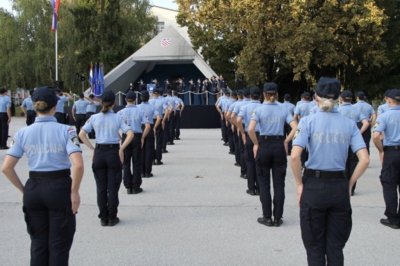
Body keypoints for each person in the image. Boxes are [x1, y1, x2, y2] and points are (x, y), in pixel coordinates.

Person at [290, 77, 369, 265]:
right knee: (335, 247)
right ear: (338, 98)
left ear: (316, 97)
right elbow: (365, 159)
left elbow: (294, 156)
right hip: (338, 187)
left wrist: (299, 184)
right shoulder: (350, 124)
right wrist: (349, 183)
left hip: (314, 186)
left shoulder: (307, 122)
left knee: (314, 246)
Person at [2, 86, 84, 266]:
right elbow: (77, 164)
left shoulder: (22, 133)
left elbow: (6, 167)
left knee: (38, 244)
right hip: (59, 187)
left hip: (34, 188)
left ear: (34, 107)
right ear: (55, 106)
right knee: (59, 245)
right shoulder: (67, 131)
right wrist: (75, 191)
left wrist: (24, 190)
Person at [79, 90, 133, 226]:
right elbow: (130, 134)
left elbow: (81, 134)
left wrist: (93, 149)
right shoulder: (117, 117)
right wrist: (121, 148)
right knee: (113, 188)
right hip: (113, 152)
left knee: (101, 188)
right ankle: (112, 216)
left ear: (101, 102)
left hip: (99, 152)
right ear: (114, 103)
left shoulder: (94, 117)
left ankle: (103, 217)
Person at [248, 82, 297, 227]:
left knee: (263, 183)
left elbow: (250, 129)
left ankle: (267, 216)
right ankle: (278, 217)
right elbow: (295, 127)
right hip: (279, 145)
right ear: (276, 94)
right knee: (279, 184)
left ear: (264, 94)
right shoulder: (283, 108)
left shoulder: (259, 109)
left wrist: (256, 144)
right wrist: (286, 141)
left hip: (264, 144)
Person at [372, 88, 400, 229]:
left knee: (389, 184)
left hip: (392, 153)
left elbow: (376, 135)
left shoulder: (384, 115)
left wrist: (381, 150)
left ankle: (392, 218)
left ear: (388, 100)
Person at [117, 91, 150, 193]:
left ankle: (128, 186)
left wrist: (120, 138)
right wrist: (142, 138)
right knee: (136, 163)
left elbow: (115, 128)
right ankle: (136, 186)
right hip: (136, 137)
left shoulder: (120, 112)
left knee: (126, 163)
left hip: (125, 136)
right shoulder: (140, 111)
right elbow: (148, 126)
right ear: (135, 100)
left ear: (125, 100)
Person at [338, 90, 369, 195]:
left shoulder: (338, 110)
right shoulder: (356, 110)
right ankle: (352, 188)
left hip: (341, 141)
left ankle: (343, 187)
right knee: (353, 164)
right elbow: (366, 123)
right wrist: (358, 133)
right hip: (353, 142)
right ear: (351, 99)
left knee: (342, 164)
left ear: (341, 99)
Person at [237, 87, 262, 194]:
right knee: (260, 163)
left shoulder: (245, 107)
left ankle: (251, 188)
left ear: (250, 96)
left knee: (250, 162)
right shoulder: (263, 107)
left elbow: (238, 120)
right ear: (260, 95)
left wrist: (242, 132)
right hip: (261, 136)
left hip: (249, 134)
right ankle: (261, 188)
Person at [139, 90, 161, 176]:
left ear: (141, 98)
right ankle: (148, 172)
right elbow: (159, 118)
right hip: (150, 127)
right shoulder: (152, 107)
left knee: (141, 150)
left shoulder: (137, 107)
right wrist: (155, 127)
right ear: (148, 98)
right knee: (149, 150)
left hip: (141, 128)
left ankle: (141, 171)